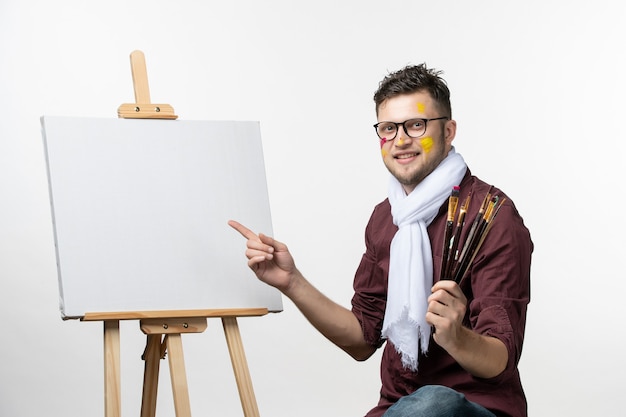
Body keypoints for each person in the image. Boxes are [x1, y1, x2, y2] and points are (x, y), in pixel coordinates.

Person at [229, 64, 532, 417]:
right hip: (397, 408)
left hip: (476, 408)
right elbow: (362, 339)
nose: (401, 140)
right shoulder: (386, 218)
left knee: (432, 404)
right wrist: (291, 282)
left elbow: (501, 360)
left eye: (416, 125)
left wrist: (455, 335)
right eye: (389, 128)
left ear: (449, 131)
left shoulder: (492, 214)